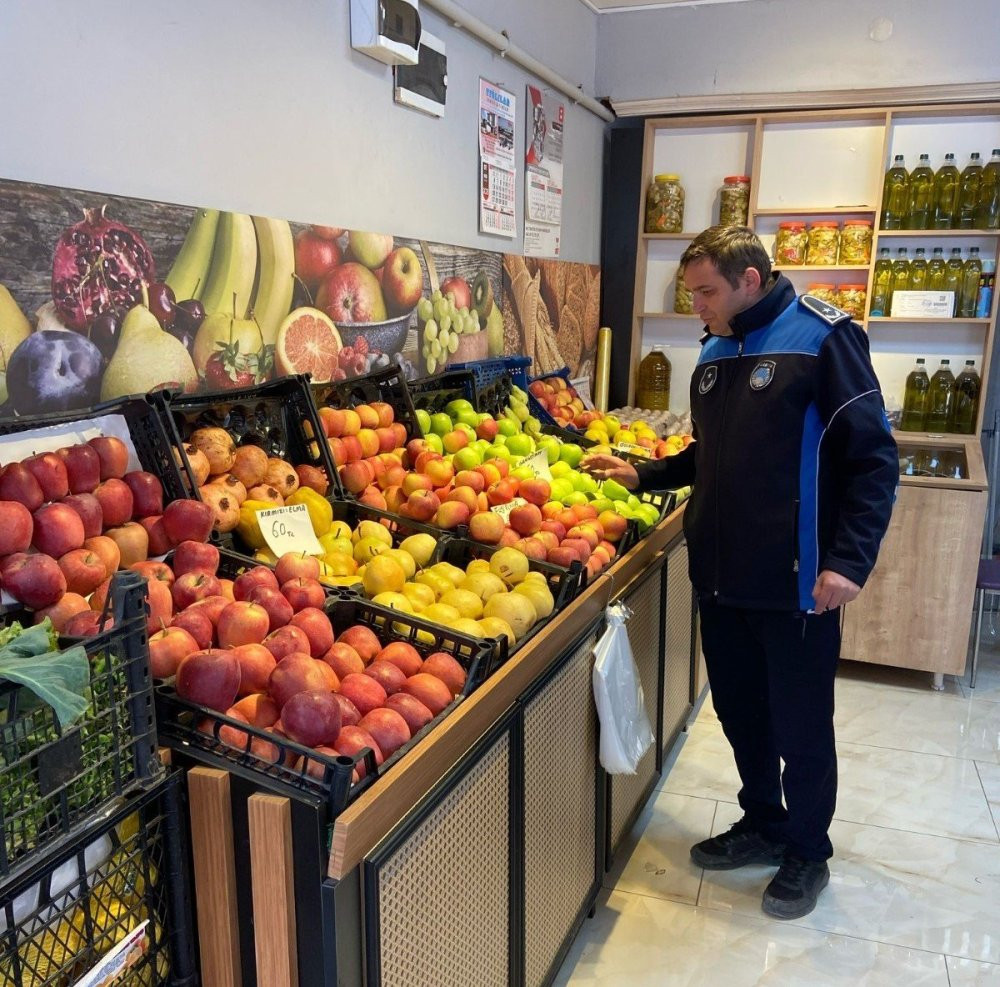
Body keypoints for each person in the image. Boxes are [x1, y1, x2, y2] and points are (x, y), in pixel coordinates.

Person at [582, 226, 897, 920]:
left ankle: (808, 849)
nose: (696, 304)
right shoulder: (717, 350)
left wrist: (849, 561)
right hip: (722, 576)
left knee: (801, 724)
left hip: (798, 582)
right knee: (741, 712)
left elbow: (874, 458)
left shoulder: (824, 339)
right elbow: (709, 454)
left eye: (706, 291)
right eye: (691, 291)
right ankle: (763, 819)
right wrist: (645, 471)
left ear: (750, 280)